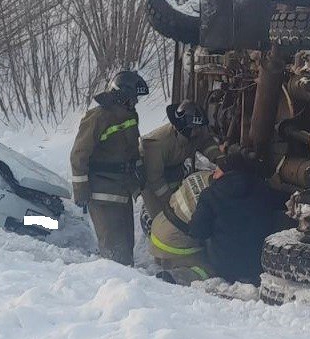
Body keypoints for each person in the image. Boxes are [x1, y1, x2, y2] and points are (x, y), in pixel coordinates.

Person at [70, 70, 148, 265]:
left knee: (126, 248)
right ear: (122, 95)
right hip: (101, 192)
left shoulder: (129, 116)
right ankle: (109, 290)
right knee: (114, 254)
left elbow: (131, 153)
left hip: (122, 189)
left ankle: (125, 289)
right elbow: (79, 155)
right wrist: (81, 190)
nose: (136, 101)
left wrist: (138, 181)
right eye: (133, 97)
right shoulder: (98, 117)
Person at [187, 148, 292, 284]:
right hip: (257, 265)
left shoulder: (210, 195)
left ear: (226, 172)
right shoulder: (263, 189)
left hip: (224, 267)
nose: (214, 173)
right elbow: (287, 200)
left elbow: (198, 232)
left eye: (218, 169)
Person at [139, 101, 219, 223]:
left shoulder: (194, 132)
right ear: (184, 128)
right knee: (162, 221)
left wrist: (220, 158)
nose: (198, 132)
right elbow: (154, 179)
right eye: (195, 129)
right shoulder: (155, 144)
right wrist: (172, 202)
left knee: (183, 213)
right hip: (151, 183)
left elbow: (206, 143)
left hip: (173, 173)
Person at [147, 169, 217, 284]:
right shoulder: (215, 196)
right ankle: (177, 275)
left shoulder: (199, 175)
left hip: (158, 227)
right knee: (209, 268)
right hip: (172, 244)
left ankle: (164, 259)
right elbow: (202, 231)